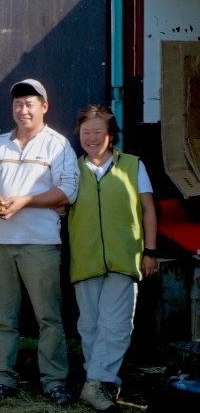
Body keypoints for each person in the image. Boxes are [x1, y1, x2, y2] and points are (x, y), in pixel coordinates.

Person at [0, 79, 78, 406]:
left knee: (48, 317)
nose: (23, 110)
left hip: (41, 244)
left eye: (30, 103)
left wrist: (26, 201)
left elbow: (68, 191)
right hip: (1, 244)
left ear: (44, 107)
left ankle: (54, 380)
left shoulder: (58, 145)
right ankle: (3, 377)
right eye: (18, 104)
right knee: (3, 318)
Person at [69, 105, 158, 412]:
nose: (91, 138)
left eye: (98, 132)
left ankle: (93, 385)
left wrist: (150, 251)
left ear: (110, 135)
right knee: (90, 325)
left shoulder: (133, 165)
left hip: (125, 255)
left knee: (117, 325)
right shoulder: (71, 168)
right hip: (85, 256)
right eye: (85, 132)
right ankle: (103, 384)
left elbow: (148, 209)